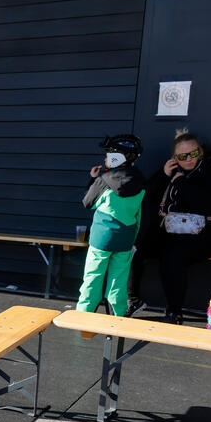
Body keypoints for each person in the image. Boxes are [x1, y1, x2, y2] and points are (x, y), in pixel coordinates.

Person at [76, 134, 145, 316]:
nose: (106, 158)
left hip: (102, 238)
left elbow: (87, 202)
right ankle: (118, 315)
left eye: (108, 154)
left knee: (93, 277)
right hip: (126, 238)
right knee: (118, 281)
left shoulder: (103, 179)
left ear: (117, 157)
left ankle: (83, 317)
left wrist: (93, 179)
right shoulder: (140, 180)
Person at [155, 130, 211, 324]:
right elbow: (148, 198)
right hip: (175, 232)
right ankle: (132, 300)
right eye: (183, 156)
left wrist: (182, 183)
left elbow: (209, 205)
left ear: (201, 151)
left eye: (194, 153)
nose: (189, 159)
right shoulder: (172, 173)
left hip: (207, 233)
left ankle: (174, 311)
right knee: (138, 248)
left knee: (173, 258)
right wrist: (163, 175)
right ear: (175, 158)